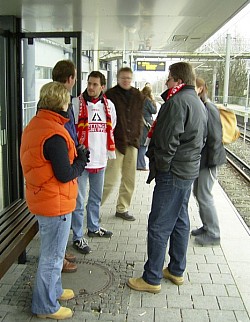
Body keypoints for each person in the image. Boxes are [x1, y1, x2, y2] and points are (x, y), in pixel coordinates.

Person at [127, 62, 207, 293]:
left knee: (159, 225)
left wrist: (162, 168)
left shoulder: (177, 103)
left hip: (173, 174)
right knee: (180, 220)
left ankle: (151, 278)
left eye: (169, 78)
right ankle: (176, 269)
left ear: (178, 81)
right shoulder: (197, 102)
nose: (166, 82)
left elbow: (167, 141)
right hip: (187, 171)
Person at [20, 82, 89, 319]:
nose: (69, 105)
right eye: (67, 101)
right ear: (60, 103)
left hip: (44, 198)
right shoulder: (55, 134)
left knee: (53, 253)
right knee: (53, 257)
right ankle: (45, 306)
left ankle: (54, 291)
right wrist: (81, 159)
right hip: (55, 203)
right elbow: (65, 173)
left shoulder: (37, 124)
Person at [71, 71, 116, 253]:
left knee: (96, 198)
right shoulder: (76, 104)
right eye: (89, 83)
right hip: (81, 161)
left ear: (102, 87)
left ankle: (94, 227)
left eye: (95, 84)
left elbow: (113, 127)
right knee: (78, 201)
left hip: (100, 159)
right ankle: (77, 236)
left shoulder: (109, 106)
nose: (91, 87)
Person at [101, 67, 144, 221]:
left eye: (128, 78)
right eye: (123, 78)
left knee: (129, 179)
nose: (126, 80)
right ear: (118, 79)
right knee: (110, 179)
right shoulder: (110, 95)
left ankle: (122, 208)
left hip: (132, 143)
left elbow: (139, 117)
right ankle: (94, 208)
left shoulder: (138, 95)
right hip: (116, 143)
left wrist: (138, 135)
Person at [52, 59, 80, 273]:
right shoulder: (62, 99)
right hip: (65, 161)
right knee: (63, 210)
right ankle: (58, 259)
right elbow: (67, 129)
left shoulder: (49, 95)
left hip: (65, 158)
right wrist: (76, 151)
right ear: (70, 78)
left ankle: (60, 253)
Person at [191, 77, 226, 246]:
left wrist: (210, 161)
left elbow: (215, 136)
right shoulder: (202, 106)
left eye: (195, 87)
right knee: (198, 193)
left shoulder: (209, 107)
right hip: (202, 160)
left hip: (208, 161)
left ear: (201, 88)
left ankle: (214, 233)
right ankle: (206, 226)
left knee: (204, 195)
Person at [137, 85, 157, 170]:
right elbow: (154, 110)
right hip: (145, 125)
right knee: (143, 145)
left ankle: (138, 163)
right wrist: (153, 101)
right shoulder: (147, 100)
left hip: (139, 123)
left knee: (140, 145)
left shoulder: (139, 100)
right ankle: (141, 165)